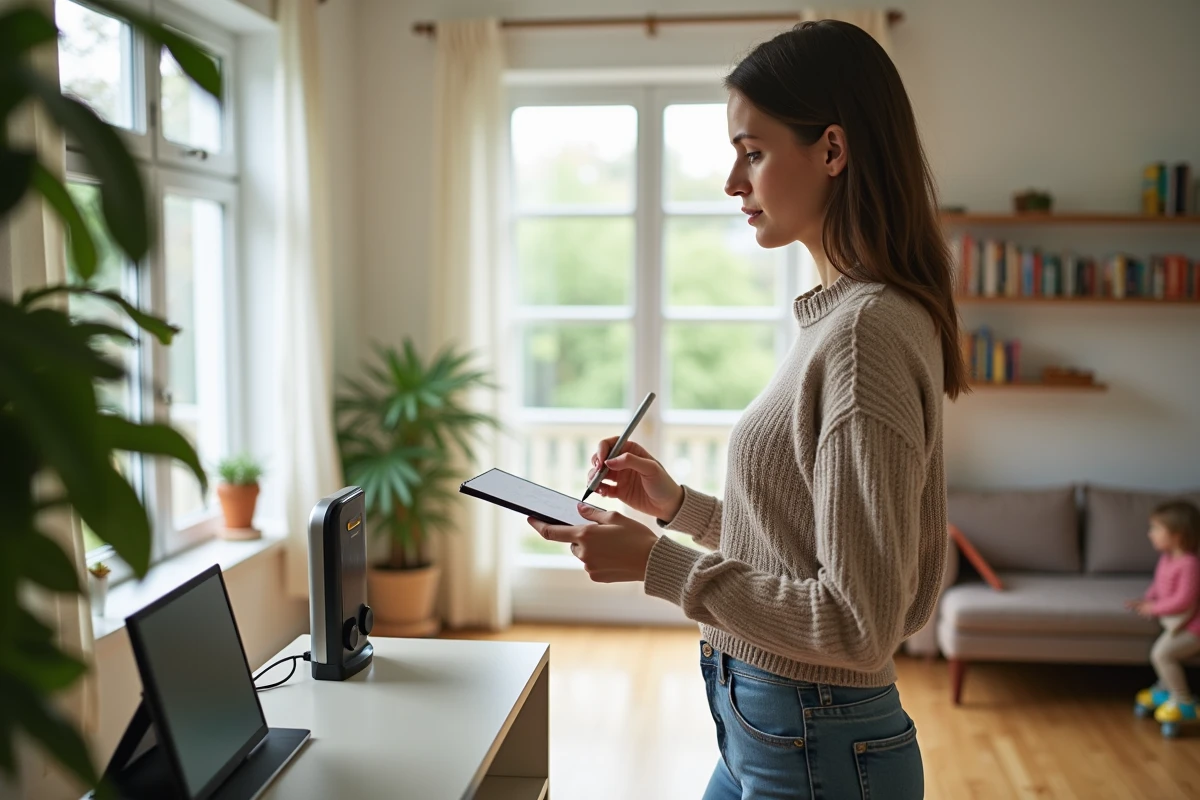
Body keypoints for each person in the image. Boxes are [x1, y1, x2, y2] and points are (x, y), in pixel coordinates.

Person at [526, 20, 966, 799]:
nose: (733, 182)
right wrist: (679, 507)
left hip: (813, 740)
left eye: (753, 152)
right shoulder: (844, 319)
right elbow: (808, 551)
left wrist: (656, 564)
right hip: (773, 728)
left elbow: (854, 624)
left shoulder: (865, 333)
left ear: (832, 150)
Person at [1128, 500, 1200, 727]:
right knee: (1163, 651)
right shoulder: (1167, 558)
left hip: (1194, 626)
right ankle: (1164, 688)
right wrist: (1147, 598)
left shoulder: (1189, 564)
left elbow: (1183, 600)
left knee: (1162, 654)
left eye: (1157, 529)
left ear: (1177, 535)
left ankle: (1182, 700)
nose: (1151, 534)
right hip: (1178, 622)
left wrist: (1154, 608)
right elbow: (1159, 585)